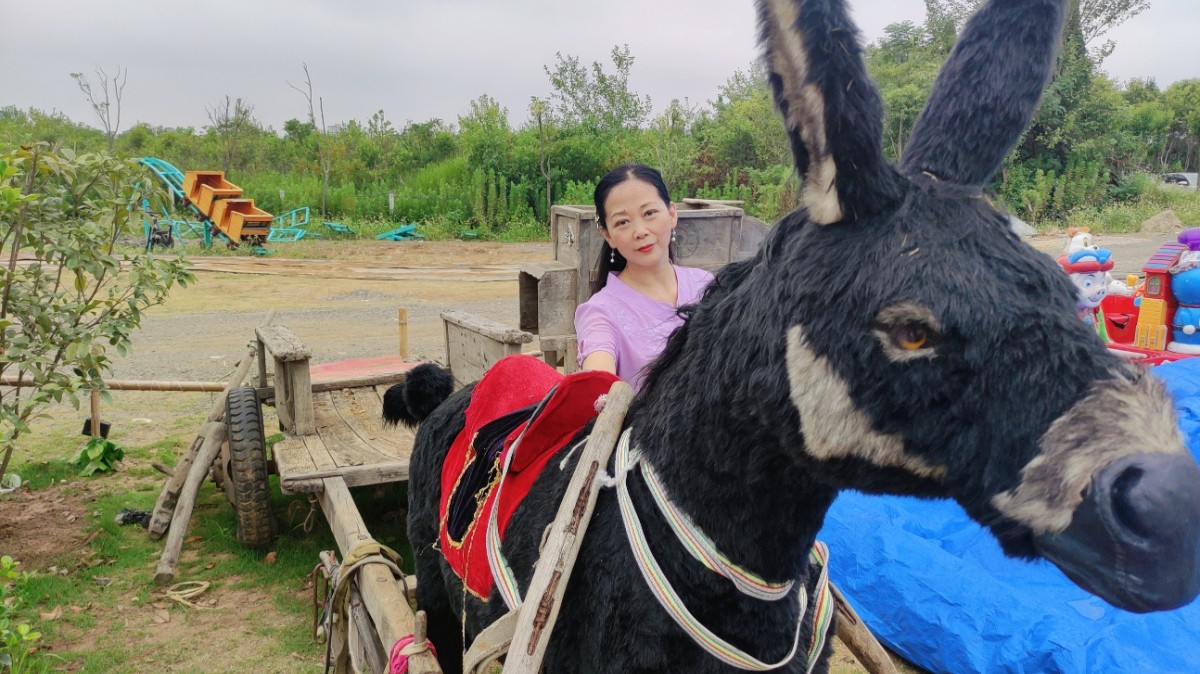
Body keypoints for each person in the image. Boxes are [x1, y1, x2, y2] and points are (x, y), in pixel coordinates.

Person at [574, 164, 714, 392]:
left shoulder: (705, 285)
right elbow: (597, 385)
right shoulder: (600, 313)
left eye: (649, 213)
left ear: (672, 214)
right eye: (622, 222)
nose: (640, 231)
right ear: (608, 235)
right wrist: (600, 393)